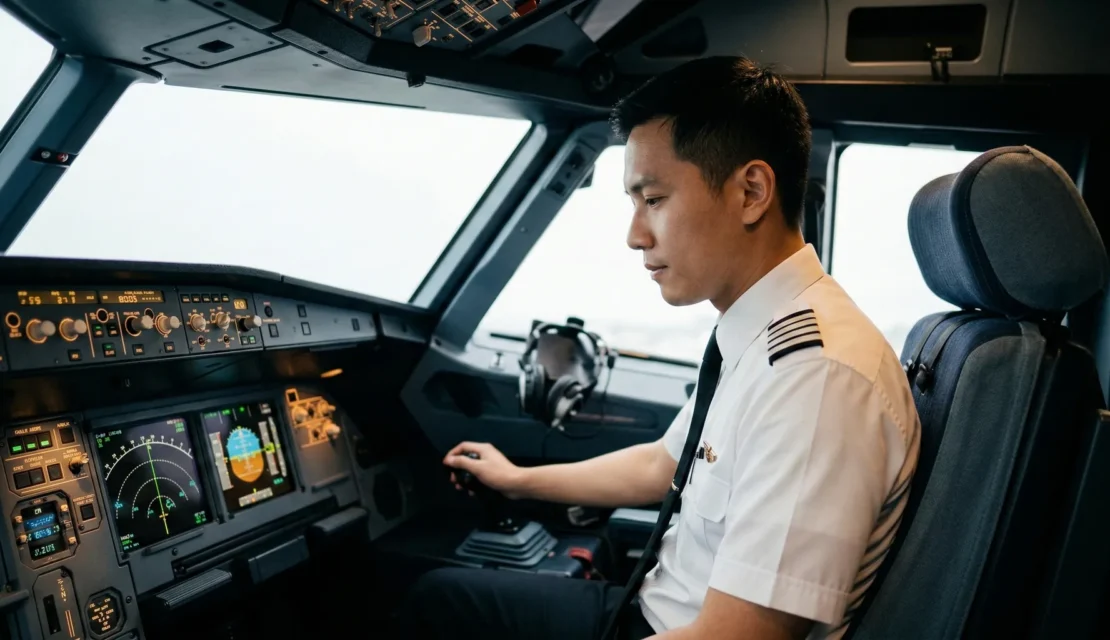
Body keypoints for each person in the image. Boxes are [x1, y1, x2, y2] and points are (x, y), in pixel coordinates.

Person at [400, 56, 921, 640]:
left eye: (653, 200)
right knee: (437, 597)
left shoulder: (817, 378)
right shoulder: (760, 332)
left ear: (751, 191)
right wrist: (517, 479)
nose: (634, 235)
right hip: (647, 605)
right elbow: (662, 464)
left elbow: (738, 636)